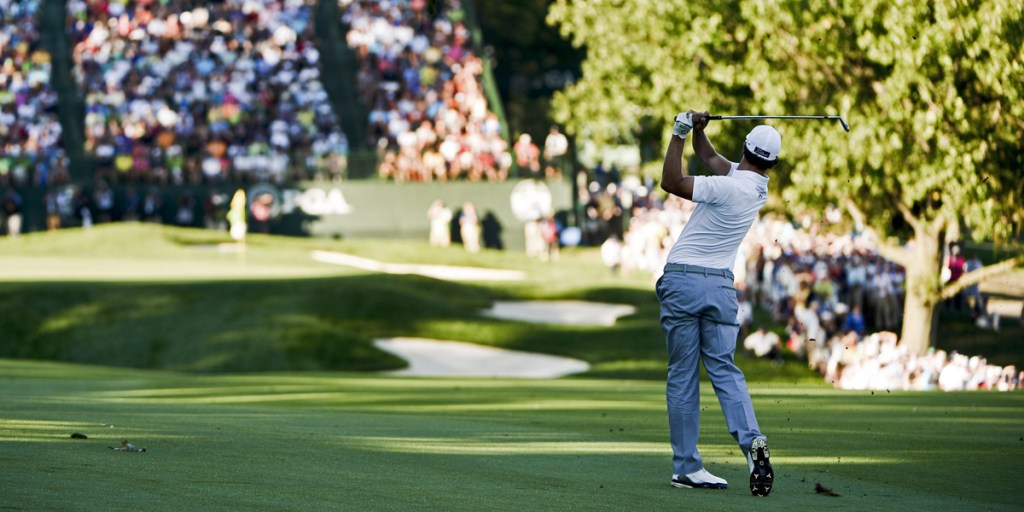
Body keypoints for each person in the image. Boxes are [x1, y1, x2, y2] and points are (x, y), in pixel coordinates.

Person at [657, 110, 776, 496]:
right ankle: (751, 441)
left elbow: (670, 180)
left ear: (744, 147)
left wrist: (678, 131)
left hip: (683, 281)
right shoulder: (758, 187)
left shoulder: (726, 187)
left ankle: (687, 467)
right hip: (721, 287)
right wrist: (699, 133)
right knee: (724, 369)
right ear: (771, 162)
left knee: (683, 375)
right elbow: (710, 158)